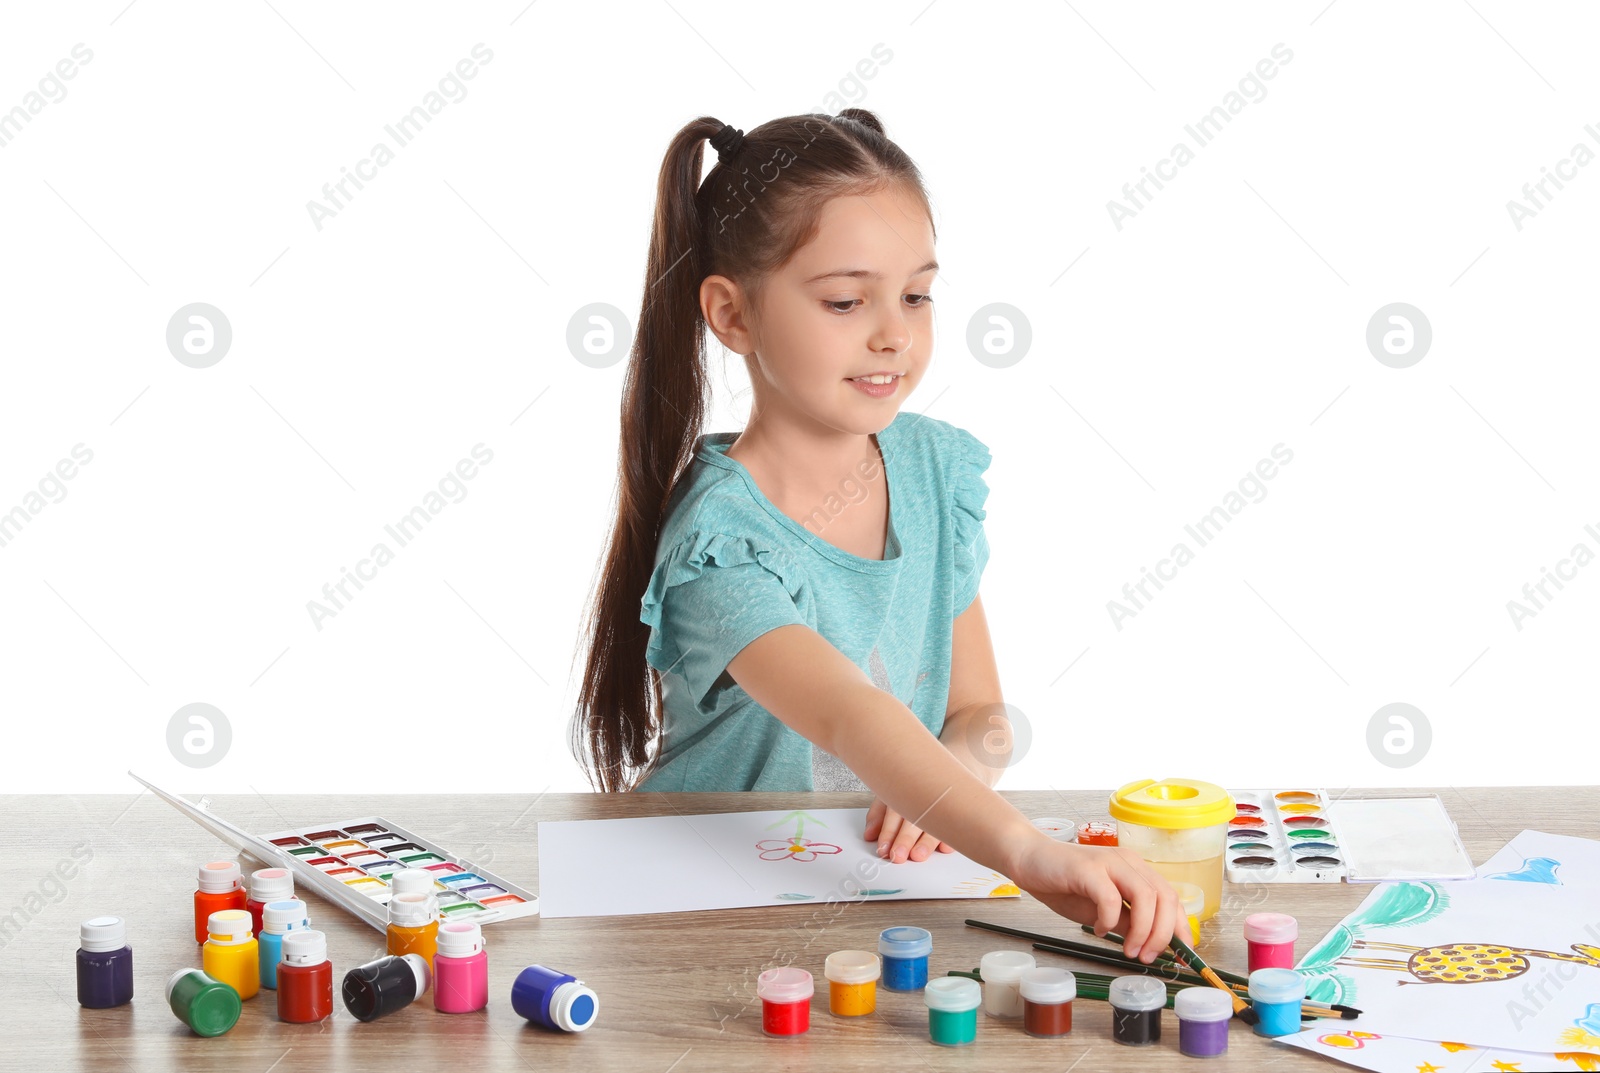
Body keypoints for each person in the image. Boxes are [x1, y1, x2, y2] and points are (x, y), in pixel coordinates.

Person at [573, 109, 1182, 961]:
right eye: (846, 300)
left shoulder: (934, 473)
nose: (894, 331)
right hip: (699, 923)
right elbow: (853, 716)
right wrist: (1027, 853)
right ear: (732, 314)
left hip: (866, 910)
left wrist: (951, 777)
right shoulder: (721, 541)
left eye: (917, 294)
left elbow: (983, 715)